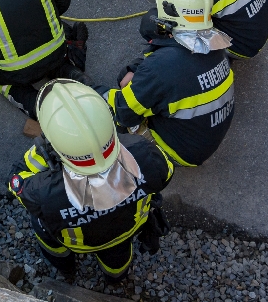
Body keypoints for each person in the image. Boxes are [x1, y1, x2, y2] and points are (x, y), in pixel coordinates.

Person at [9, 79, 174, 284]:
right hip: (127, 230)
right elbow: (167, 171)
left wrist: (44, 151)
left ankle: (66, 269)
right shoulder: (144, 153)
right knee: (118, 260)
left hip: (80, 243)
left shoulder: (46, 193)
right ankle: (115, 280)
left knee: (42, 225)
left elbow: (17, 181)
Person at [106, 0, 235, 168]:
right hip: (204, 135)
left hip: (181, 152)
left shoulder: (161, 68)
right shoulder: (216, 44)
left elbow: (123, 112)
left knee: (110, 106)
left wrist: (95, 93)